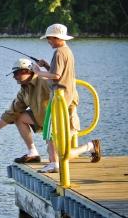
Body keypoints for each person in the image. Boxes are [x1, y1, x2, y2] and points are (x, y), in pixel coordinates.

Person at [33, 23, 101, 173]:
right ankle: (59, 159)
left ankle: (54, 163)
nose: (48, 41)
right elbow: (61, 73)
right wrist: (46, 66)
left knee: (49, 131)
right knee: (57, 131)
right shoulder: (67, 51)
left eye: (49, 38)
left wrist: (38, 72)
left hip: (59, 97)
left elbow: (56, 76)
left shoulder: (58, 53)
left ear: (57, 38)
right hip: (68, 95)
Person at [0, 58, 50, 163]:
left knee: (59, 156)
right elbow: (11, 113)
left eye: (16, 73)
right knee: (17, 116)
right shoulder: (24, 90)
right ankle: (33, 153)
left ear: (26, 71)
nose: (14, 77)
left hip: (58, 123)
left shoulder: (45, 81)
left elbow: (65, 90)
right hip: (44, 121)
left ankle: (86, 147)